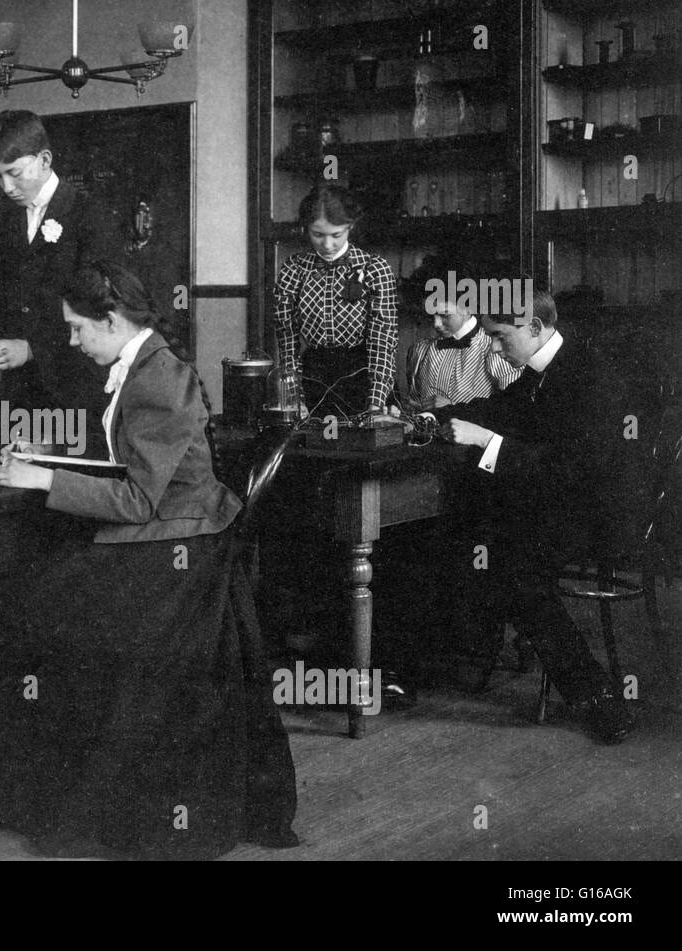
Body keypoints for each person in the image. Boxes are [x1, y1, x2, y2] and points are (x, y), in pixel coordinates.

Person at [0, 262, 298, 860]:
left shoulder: (159, 379)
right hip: (165, 534)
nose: (70, 340)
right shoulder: (137, 365)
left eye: (77, 329)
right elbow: (130, 465)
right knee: (26, 599)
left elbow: (139, 498)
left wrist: (40, 478)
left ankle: (59, 798)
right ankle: (32, 791)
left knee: (33, 609)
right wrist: (46, 458)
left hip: (183, 549)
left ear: (110, 320)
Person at [425, 290, 647, 742]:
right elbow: (495, 408)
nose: (493, 346)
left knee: (512, 568)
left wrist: (486, 441)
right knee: (455, 530)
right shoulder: (544, 369)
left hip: (601, 514)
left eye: (500, 336)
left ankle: (597, 697)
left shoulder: (590, 374)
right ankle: (456, 654)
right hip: (563, 504)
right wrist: (426, 416)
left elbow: (572, 467)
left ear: (533, 327)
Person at [0, 110, 112, 456]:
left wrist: (32, 348)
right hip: (19, 395)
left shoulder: (89, 214)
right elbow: (1, 297)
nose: (6, 187)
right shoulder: (4, 222)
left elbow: (100, 311)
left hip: (75, 388)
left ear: (45, 159)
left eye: (14, 174)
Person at [273, 184, 398, 419]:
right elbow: (287, 344)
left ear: (350, 227)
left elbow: (382, 343)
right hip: (312, 381)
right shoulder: (293, 269)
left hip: (363, 380)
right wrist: (294, 400)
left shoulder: (374, 268)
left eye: (336, 235)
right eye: (317, 235)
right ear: (306, 228)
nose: (327, 245)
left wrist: (375, 404)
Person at [403, 267, 521, 412]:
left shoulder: (496, 349)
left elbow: (512, 409)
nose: (436, 324)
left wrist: (453, 409)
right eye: (431, 315)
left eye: (445, 315)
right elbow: (414, 403)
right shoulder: (419, 350)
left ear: (467, 309)